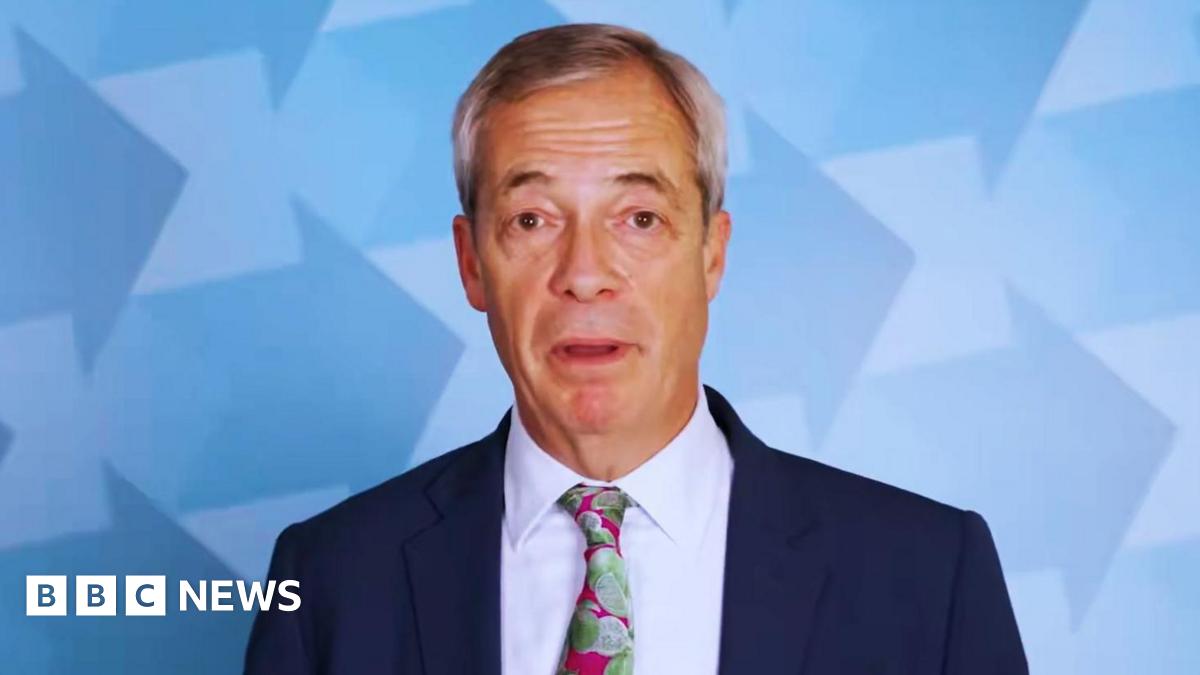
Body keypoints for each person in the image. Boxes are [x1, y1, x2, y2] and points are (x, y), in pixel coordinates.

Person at [244, 23, 1027, 675]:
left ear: (712, 253)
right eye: (532, 220)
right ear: (472, 262)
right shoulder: (331, 579)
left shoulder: (928, 575)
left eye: (639, 219)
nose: (584, 275)